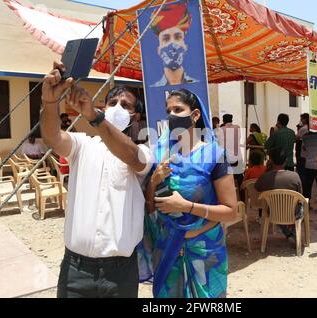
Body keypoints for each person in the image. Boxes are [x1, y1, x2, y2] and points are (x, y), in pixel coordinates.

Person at [40, 61, 152, 298]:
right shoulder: (82, 144)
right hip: (76, 270)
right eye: (112, 103)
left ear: (135, 116)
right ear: (104, 106)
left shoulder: (143, 151)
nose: (118, 108)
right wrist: (50, 102)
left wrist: (93, 115)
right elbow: (52, 137)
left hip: (119, 274)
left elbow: (132, 157)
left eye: (125, 105)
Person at [141, 88, 237, 298]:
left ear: (195, 115)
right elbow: (149, 207)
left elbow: (231, 211)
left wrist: (187, 207)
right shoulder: (159, 154)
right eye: (168, 110)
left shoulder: (216, 155)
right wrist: (153, 182)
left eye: (178, 109)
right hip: (167, 248)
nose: (171, 115)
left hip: (204, 250)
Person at [255, 147, 303, 244]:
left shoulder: (264, 177)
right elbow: (300, 195)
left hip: (272, 211)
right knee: (301, 207)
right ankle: (293, 233)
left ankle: (288, 234)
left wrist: (267, 171)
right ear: (285, 161)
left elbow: (257, 187)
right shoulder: (294, 176)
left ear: (271, 160)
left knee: (278, 209)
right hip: (293, 212)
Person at [150, 2, 197, 87]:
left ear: (185, 47)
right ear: (158, 49)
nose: (172, 44)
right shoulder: (153, 88)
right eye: (166, 39)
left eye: (178, 37)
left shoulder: (197, 84)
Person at [302, 131, 317, 214]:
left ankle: (306, 206)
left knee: (307, 187)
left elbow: (303, 151)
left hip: (308, 164)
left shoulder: (305, 136)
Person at [221, 114, 244, 187]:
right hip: (237, 156)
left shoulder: (221, 129)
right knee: (239, 178)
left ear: (223, 121)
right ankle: (242, 196)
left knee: (228, 178)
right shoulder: (237, 127)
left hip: (227, 158)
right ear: (231, 120)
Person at [296, 113, 309, 185]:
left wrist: (298, 129)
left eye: (301, 119)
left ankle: (302, 183)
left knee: (301, 169)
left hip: (302, 151)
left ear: (305, 119)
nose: (300, 120)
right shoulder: (310, 128)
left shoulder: (303, 129)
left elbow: (296, 138)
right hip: (308, 152)